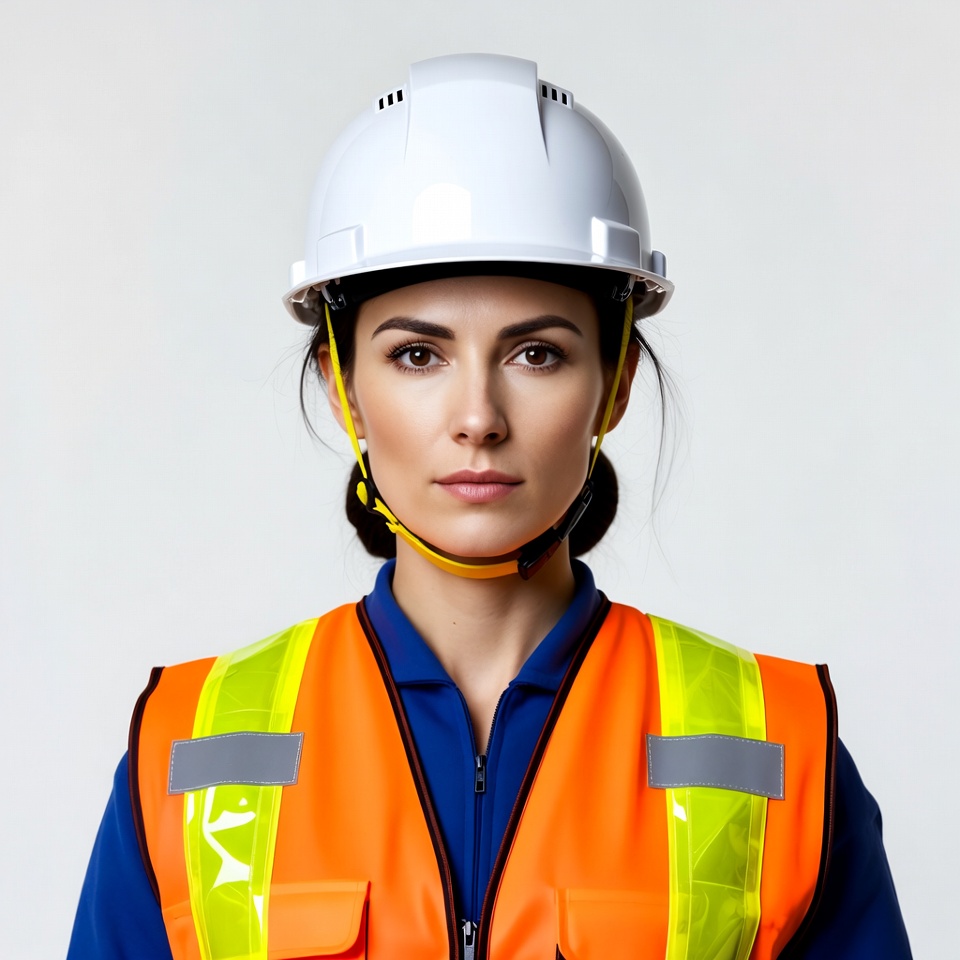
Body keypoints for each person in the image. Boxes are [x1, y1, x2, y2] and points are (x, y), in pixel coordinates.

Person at [68, 53, 911, 960]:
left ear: (616, 382)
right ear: (343, 387)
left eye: (536, 354)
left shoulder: (780, 747)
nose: (477, 418)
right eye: (417, 357)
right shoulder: (187, 750)